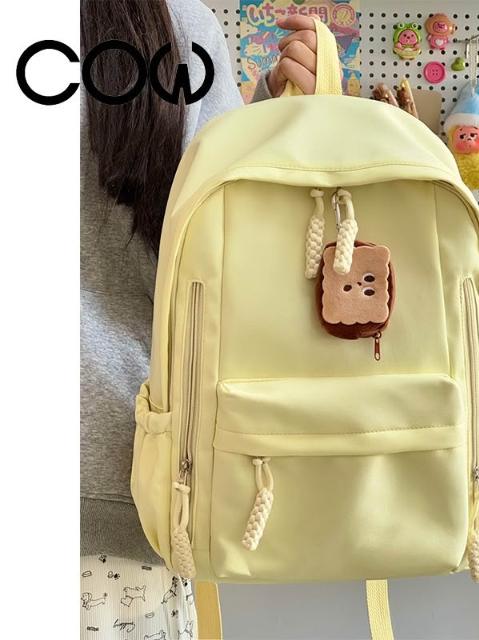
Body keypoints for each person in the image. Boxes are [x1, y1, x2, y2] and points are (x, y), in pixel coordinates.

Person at [80, 1, 319, 636]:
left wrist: (262, 121)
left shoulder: (180, 26)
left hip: (127, 497)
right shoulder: (173, 25)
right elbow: (231, 262)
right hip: (128, 490)